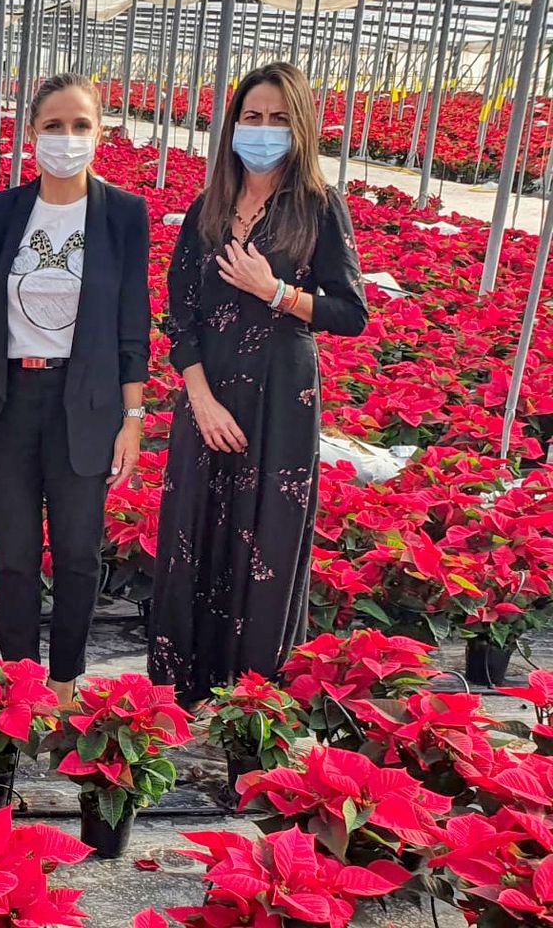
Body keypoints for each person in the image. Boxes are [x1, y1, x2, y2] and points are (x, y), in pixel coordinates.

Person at [148, 62, 369, 707]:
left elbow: (350, 312)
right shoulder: (208, 208)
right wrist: (199, 397)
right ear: (233, 125)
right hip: (208, 398)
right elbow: (178, 310)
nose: (264, 129)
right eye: (252, 117)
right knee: (196, 525)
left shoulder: (318, 208)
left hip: (281, 403)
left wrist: (275, 292)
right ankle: (184, 689)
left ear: (298, 128)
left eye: (278, 118)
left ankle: (251, 698)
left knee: (266, 534)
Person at [0, 73, 152, 707]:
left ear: (100, 133)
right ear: (31, 133)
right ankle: (19, 680)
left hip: (85, 405)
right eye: (54, 126)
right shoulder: (3, 211)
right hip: (11, 404)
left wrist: (132, 415)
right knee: (12, 555)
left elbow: (132, 323)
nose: (67, 139)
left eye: (80, 126)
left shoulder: (122, 214)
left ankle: (65, 680)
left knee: (76, 553)